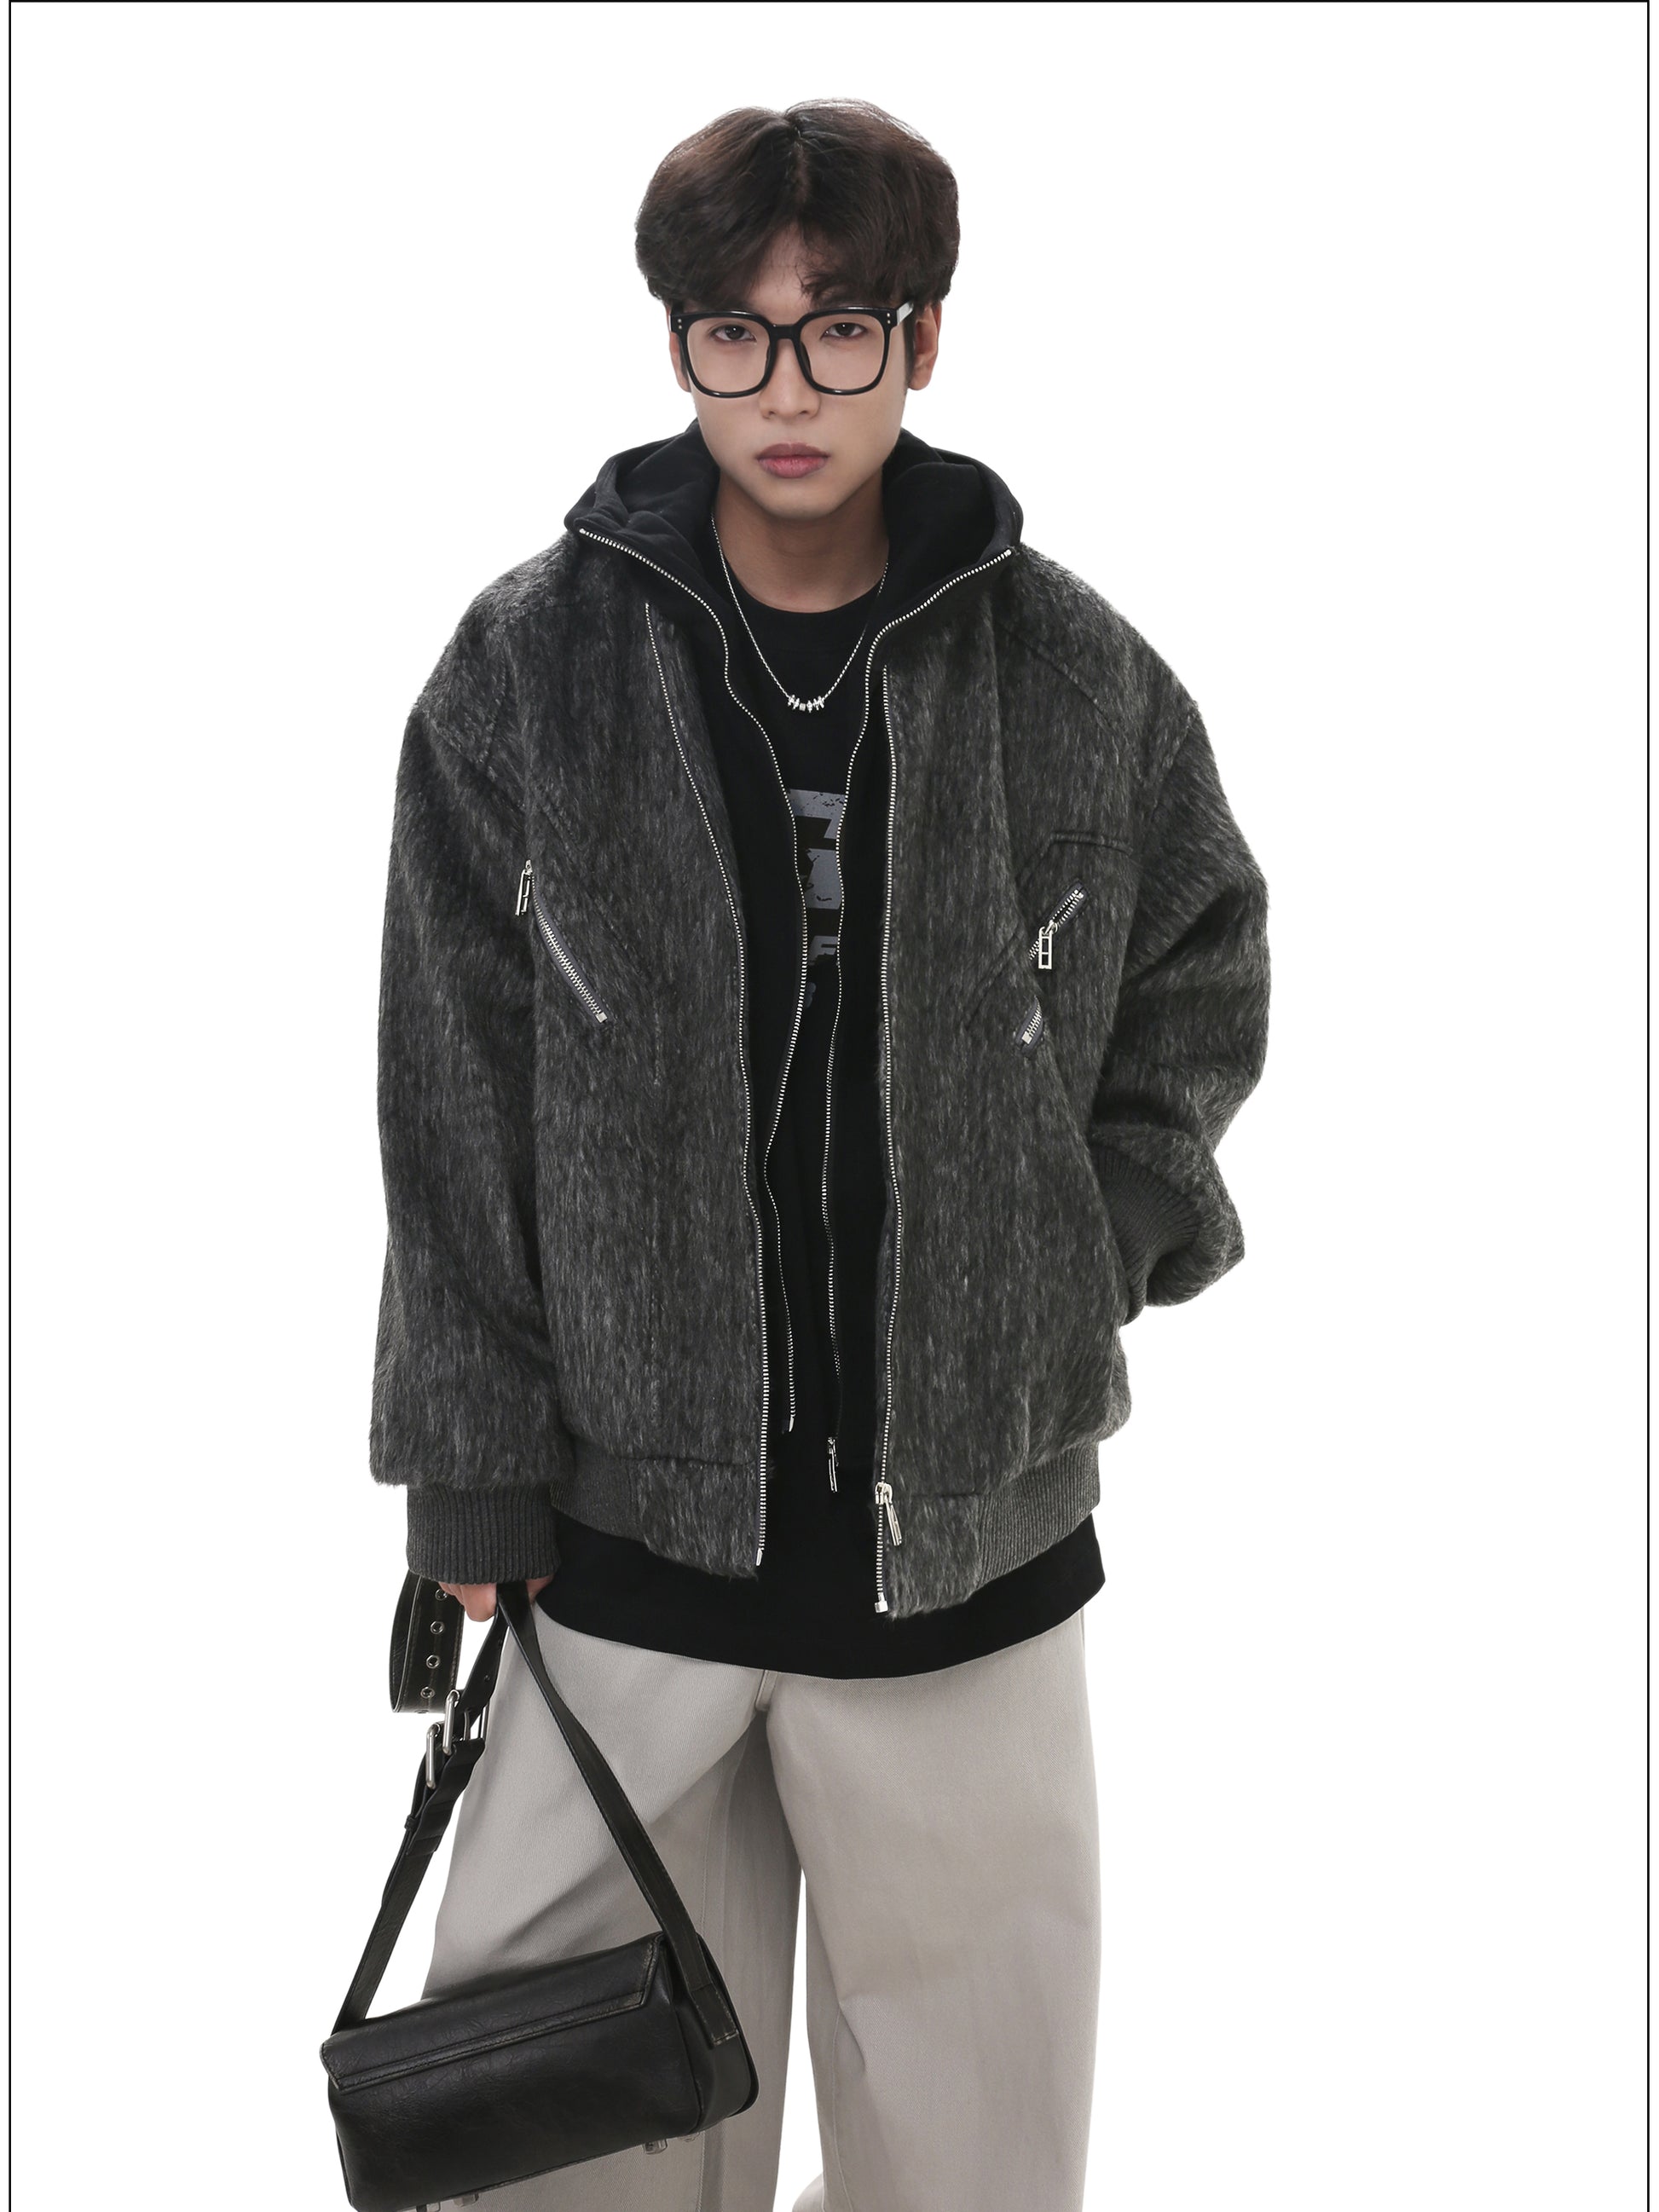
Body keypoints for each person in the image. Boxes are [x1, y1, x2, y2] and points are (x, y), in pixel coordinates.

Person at [367, 98, 1269, 2212]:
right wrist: (465, 1471)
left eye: (839, 330)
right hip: (620, 1560)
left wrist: (1093, 1237)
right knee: (580, 2151)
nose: (786, 389)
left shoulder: (1074, 673)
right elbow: (450, 1089)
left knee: (971, 2150)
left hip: (972, 1571)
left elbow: (1203, 957)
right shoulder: (526, 671)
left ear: (921, 341)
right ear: (679, 342)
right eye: (736, 334)